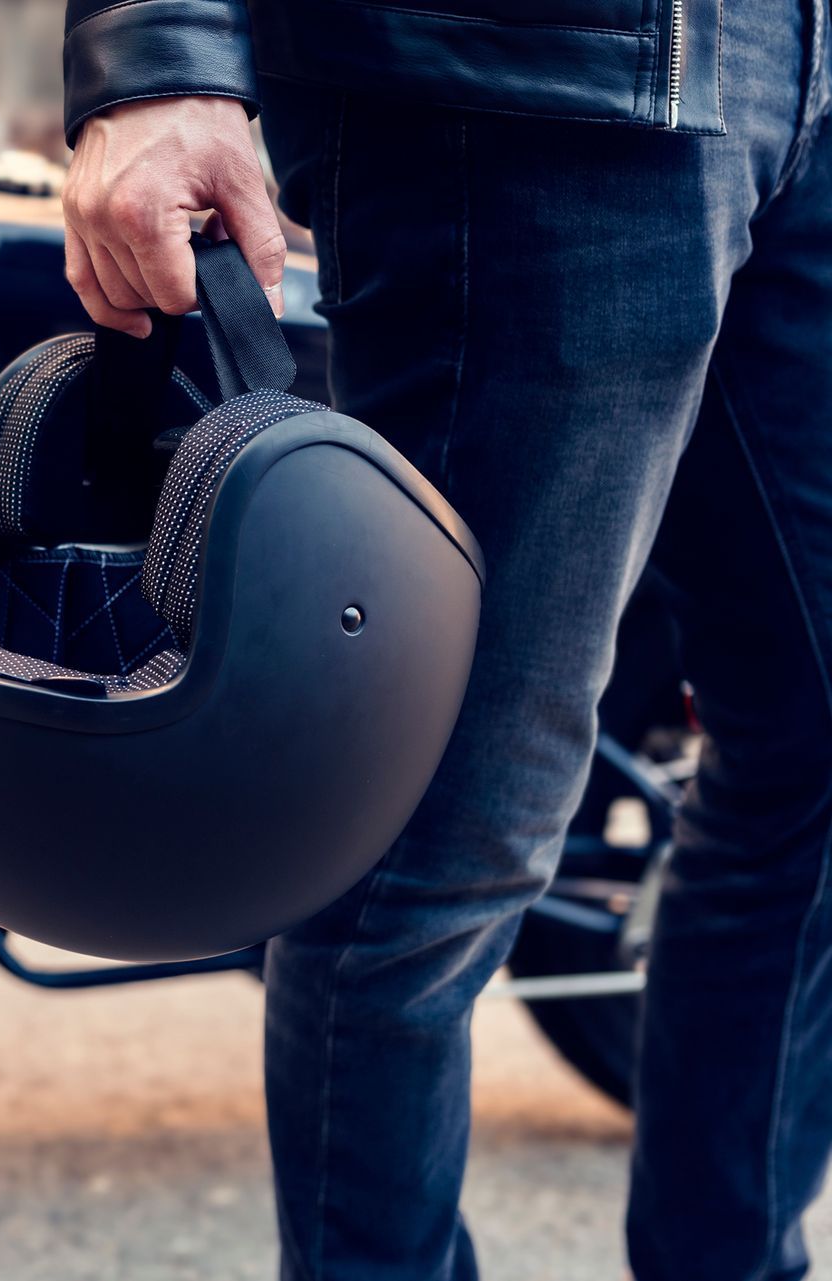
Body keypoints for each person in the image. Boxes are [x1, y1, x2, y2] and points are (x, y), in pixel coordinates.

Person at [57, 1, 832, 1278]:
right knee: (432, 834)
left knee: (813, 748)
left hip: (798, 69)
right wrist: (157, 54)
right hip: (532, 77)